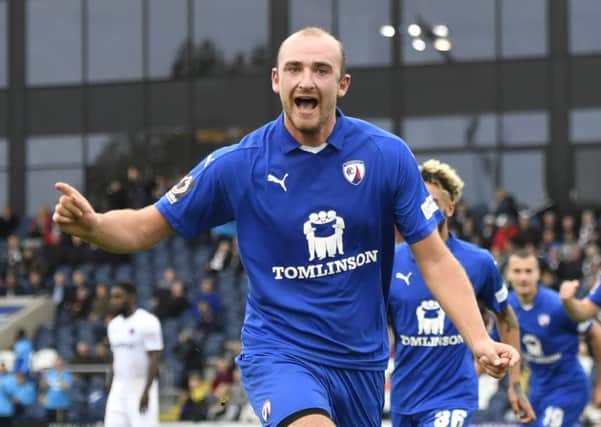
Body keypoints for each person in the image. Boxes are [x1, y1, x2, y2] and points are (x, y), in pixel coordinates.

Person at [52, 27, 518, 427]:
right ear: (276, 81)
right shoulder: (240, 165)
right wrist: (92, 226)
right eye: (294, 69)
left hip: (361, 362)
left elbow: (435, 257)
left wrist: (479, 340)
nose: (306, 80)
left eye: (320, 70)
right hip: (280, 352)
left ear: (343, 83)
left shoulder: (385, 155)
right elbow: (144, 225)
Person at [388, 159, 536, 426]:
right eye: (419, 200)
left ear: (450, 208)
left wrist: (515, 384)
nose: (425, 207)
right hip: (404, 398)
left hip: (453, 397)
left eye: (433, 200)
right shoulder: (391, 261)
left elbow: (506, 318)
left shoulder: (478, 262)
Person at [506, 249, 601, 426]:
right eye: (517, 271)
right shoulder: (507, 307)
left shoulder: (556, 305)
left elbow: (596, 332)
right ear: (508, 274)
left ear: (538, 274)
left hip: (569, 388)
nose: (523, 277)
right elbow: (491, 347)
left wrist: (600, 385)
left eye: (528, 271)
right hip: (537, 391)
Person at [105, 282, 163, 427]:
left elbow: (154, 358)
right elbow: (116, 358)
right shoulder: (113, 326)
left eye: (118, 296)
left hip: (141, 385)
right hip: (118, 387)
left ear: (131, 298)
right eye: (112, 297)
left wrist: (146, 391)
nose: (113, 301)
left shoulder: (148, 321)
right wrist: (110, 384)